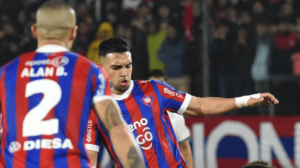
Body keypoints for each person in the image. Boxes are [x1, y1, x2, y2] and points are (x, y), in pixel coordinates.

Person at [85, 37, 279, 168]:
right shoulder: (94, 110)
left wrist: (246, 100)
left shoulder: (154, 90)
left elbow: (201, 106)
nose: (124, 73)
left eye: (128, 66)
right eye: (117, 67)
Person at [0, 1, 144, 168]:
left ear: (34, 31)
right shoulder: (89, 71)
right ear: (73, 32)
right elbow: (117, 129)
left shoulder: (5, 73)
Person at [148, 69, 193, 168]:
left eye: (160, 85)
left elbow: (185, 147)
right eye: (153, 85)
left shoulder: (176, 117)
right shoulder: (138, 114)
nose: (157, 90)